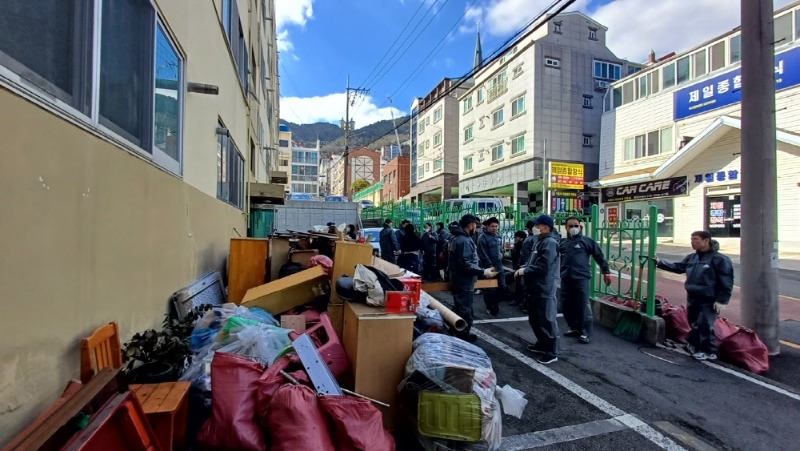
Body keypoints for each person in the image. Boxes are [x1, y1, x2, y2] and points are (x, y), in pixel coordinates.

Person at [654, 231, 734, 361]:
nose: (692, 242)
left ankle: (708, 351)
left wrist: (721, 300)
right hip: (693, 297)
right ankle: (695, 346)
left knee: (705, 324)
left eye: (696, 239)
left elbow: (726, 281)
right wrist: (660, 263)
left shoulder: (720, 259)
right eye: (691, 239)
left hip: (709, 299)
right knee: (694, 323)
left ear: (706, 240)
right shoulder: (693, 257)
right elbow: (679, 267)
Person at [559, 217, 613, 344]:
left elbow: (599, 256)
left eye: (576, 225)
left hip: (581, 278)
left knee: (583, 306)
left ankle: (585, 332)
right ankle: (573, 327)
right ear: (566, 228)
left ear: (580, 227)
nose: (573, 228)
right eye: (570, 226)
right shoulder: (562, 243)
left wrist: (606, 271)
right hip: (566, 278)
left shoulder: (587, 242)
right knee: (566, 305)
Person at [515, 215, 560, 364]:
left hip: (544, 287)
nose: (535, 228)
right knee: (535, 318)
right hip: (535, 286)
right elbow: (532, 261)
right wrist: (524, 268)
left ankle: (551, 351)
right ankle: (542, 343)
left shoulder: (550, 243)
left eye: (538, 225)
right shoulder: (539, 241)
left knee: (546, 319)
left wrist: (525, 271)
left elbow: (543, 266)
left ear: (546, 227)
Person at [449, 214, 498, 342]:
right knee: (465, 310)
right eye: (475, 225)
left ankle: (454, 329)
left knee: (459, 307)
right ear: (470, 225)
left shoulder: (458, 238)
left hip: (459, 279)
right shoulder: (463, 240)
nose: (476, 228)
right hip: (463, 280)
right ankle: (463, 335)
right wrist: (483, 271)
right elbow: (467, 263)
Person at [477, 217, 507, 316]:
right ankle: (490, 306)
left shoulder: (498, 236)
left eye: (496, 226)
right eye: (492, 226)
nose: (494, 228)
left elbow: (501, 249)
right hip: (489, 267)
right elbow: (482, 253)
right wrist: (489, 267)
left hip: (499, 266)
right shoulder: (483, 237)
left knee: (502, 287)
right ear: (487, 226)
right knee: (490, 289)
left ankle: (495, 303)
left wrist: (502, 254)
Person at [517, 220, 538, 313]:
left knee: (527, 287)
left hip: (528, 266)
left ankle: (526, 305)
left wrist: (522, 266)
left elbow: (524, 254)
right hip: (534, 266)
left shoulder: (530, 239)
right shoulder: (538, 238)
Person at [510, 231, 528, 307]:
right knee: (518, 284)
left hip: (521, 267)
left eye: (516, 237)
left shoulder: (522, 247)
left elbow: (521, 258)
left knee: (520, 284)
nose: (515, 239)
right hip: (518, 267)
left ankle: (519, 300)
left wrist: (519, 268)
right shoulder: (516, 246)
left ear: (521, 238)